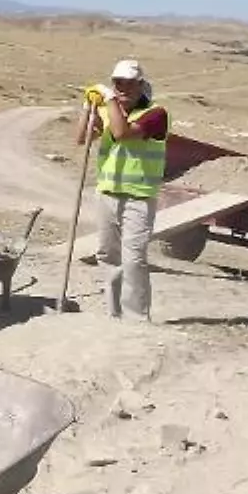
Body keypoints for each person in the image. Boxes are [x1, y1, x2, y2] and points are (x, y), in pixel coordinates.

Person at [79, 59, 169, 321]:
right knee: (108, 256)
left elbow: (121, 133)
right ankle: (113, 313)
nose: (123, 88)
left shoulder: (156, 114)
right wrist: (89, 109)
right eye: (117, 83)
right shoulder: (109, 110)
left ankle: (137, 317)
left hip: (139, 197)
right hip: (107, 193)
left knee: (134, 259)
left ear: (141, 85)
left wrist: (107, 100)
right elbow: (81, 138)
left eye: (130, 83)